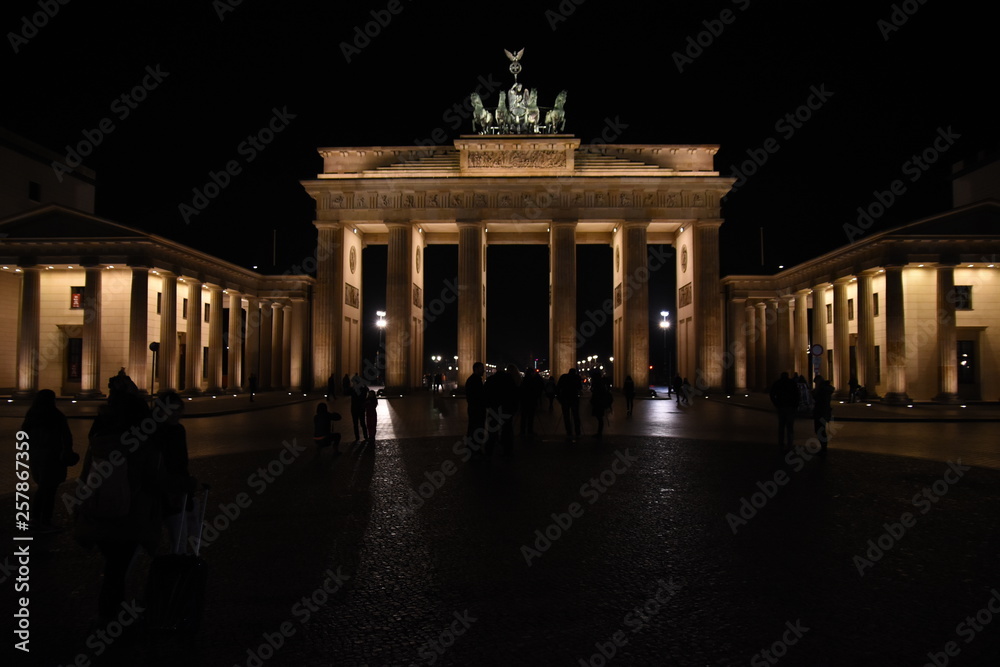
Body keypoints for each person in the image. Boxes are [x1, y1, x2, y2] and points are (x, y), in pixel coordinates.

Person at [75, 371, 163, 622]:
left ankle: (109, 615)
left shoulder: (100, 442)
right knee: (121, 569)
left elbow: (85, 477)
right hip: (130, 516)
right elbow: (154, 479)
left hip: (101, 515)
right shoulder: (144, 444)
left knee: (114, 568)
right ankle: (114, 620)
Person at [21, 389, 76, 531]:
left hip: (36, 456)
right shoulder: (56, 415)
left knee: (43, 487)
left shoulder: (32, 415)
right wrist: (67, 452)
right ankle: (45, 520)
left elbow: (23, 436)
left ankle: (35, 518)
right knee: (49, 489)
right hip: (52, 457)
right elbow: (66, 436)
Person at [157, 391, 196, 553]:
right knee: (177, 537)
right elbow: (177, 463)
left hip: (170, 488)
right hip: (167, 490)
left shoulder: (175, 430)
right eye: (175, 410)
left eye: (179, 410)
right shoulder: (172, 431)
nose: (178, 414)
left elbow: (181, 463)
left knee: (178, 535)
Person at [769, 371, 800, 452]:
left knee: (781, 427)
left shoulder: (778, 383)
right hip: (790, 407)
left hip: (781, 407)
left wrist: (776, 403)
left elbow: (772, 394)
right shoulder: (792, 383)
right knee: (790, 427)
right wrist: (795, 406)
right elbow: (797, 395)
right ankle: (790, 444)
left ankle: (781, 444)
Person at [465, 362, 486, 458]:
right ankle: (474, 449)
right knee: (476, 429)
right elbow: (477, 396)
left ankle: (472, 448)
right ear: (476, 369)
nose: (484, 371)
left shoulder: (472, 380)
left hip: (474, 409)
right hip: (477, 410)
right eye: (482, 368)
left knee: (473, 429)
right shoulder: (475, 381)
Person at [556, 368, 582, 440]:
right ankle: (578, 432)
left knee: (566, 417)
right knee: (576, 416)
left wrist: (559, 398)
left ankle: (569, 432)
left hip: (565, 399)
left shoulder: (563, 377)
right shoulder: (577, 378)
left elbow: (558, 388)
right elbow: (580, 388)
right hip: (574, 399)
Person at [519, 367, 544, 437]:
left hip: (524, 401)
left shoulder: (523, 380)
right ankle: (530, 430)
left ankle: (522, 431)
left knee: (523, 417)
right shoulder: (533, 380)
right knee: (530, 417)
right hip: (532, 401)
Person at [812, 376, 835, 453]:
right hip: (823, 412)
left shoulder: (822, 390)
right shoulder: (824, 390)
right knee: (820, 430)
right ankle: (823, 447)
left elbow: (820, 401)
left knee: (820, 430)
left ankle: (824, 448)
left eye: (816, 383)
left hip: (821, 412)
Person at [589, 371, 612, 437]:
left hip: (598, 403)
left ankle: (599, 433)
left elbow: (596, 393)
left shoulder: (597, 384)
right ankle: (599, 432)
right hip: (600, 402)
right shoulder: (601, 383)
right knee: (600, 418)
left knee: (599, 418)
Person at [350, 374, 369, 444]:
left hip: (355, 408)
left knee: (356, 424)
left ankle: (357, 438)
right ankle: (365, 436)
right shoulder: (363, 389)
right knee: (362, 423)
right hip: (360, 408)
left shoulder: (354, 389)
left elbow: (346, 392)